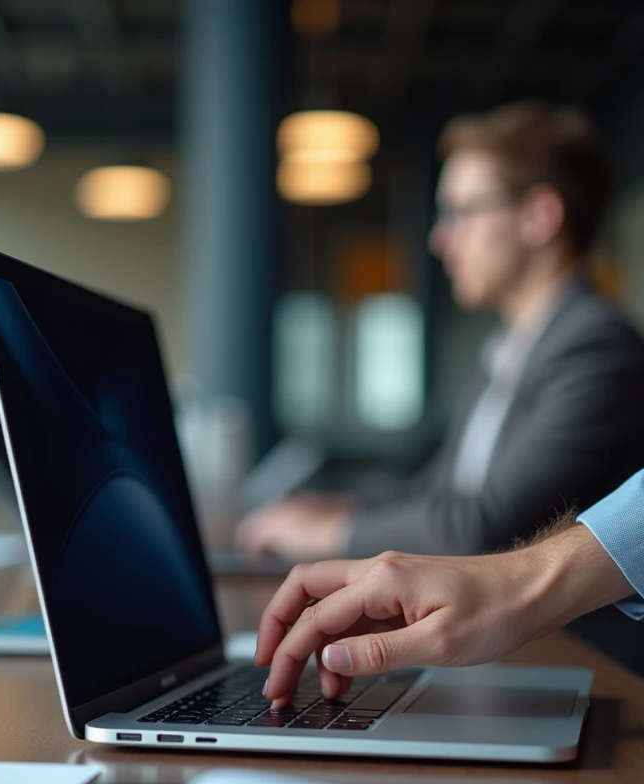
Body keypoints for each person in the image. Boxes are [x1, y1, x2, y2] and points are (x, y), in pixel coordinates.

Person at [237, 101, 644, 561]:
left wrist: (327, 534)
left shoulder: (595, 347)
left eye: (460, 212)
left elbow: (484, 527)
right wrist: (335, 507)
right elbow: (440, 489)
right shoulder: (515, 349)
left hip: (568, 634)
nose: (440, 239)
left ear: (538, 215)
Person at [255, 468, 644, 708]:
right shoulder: (496, 363)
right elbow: (433, 486)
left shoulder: (584, 344)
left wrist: (531, 576)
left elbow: (474, 526)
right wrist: (340, 507)